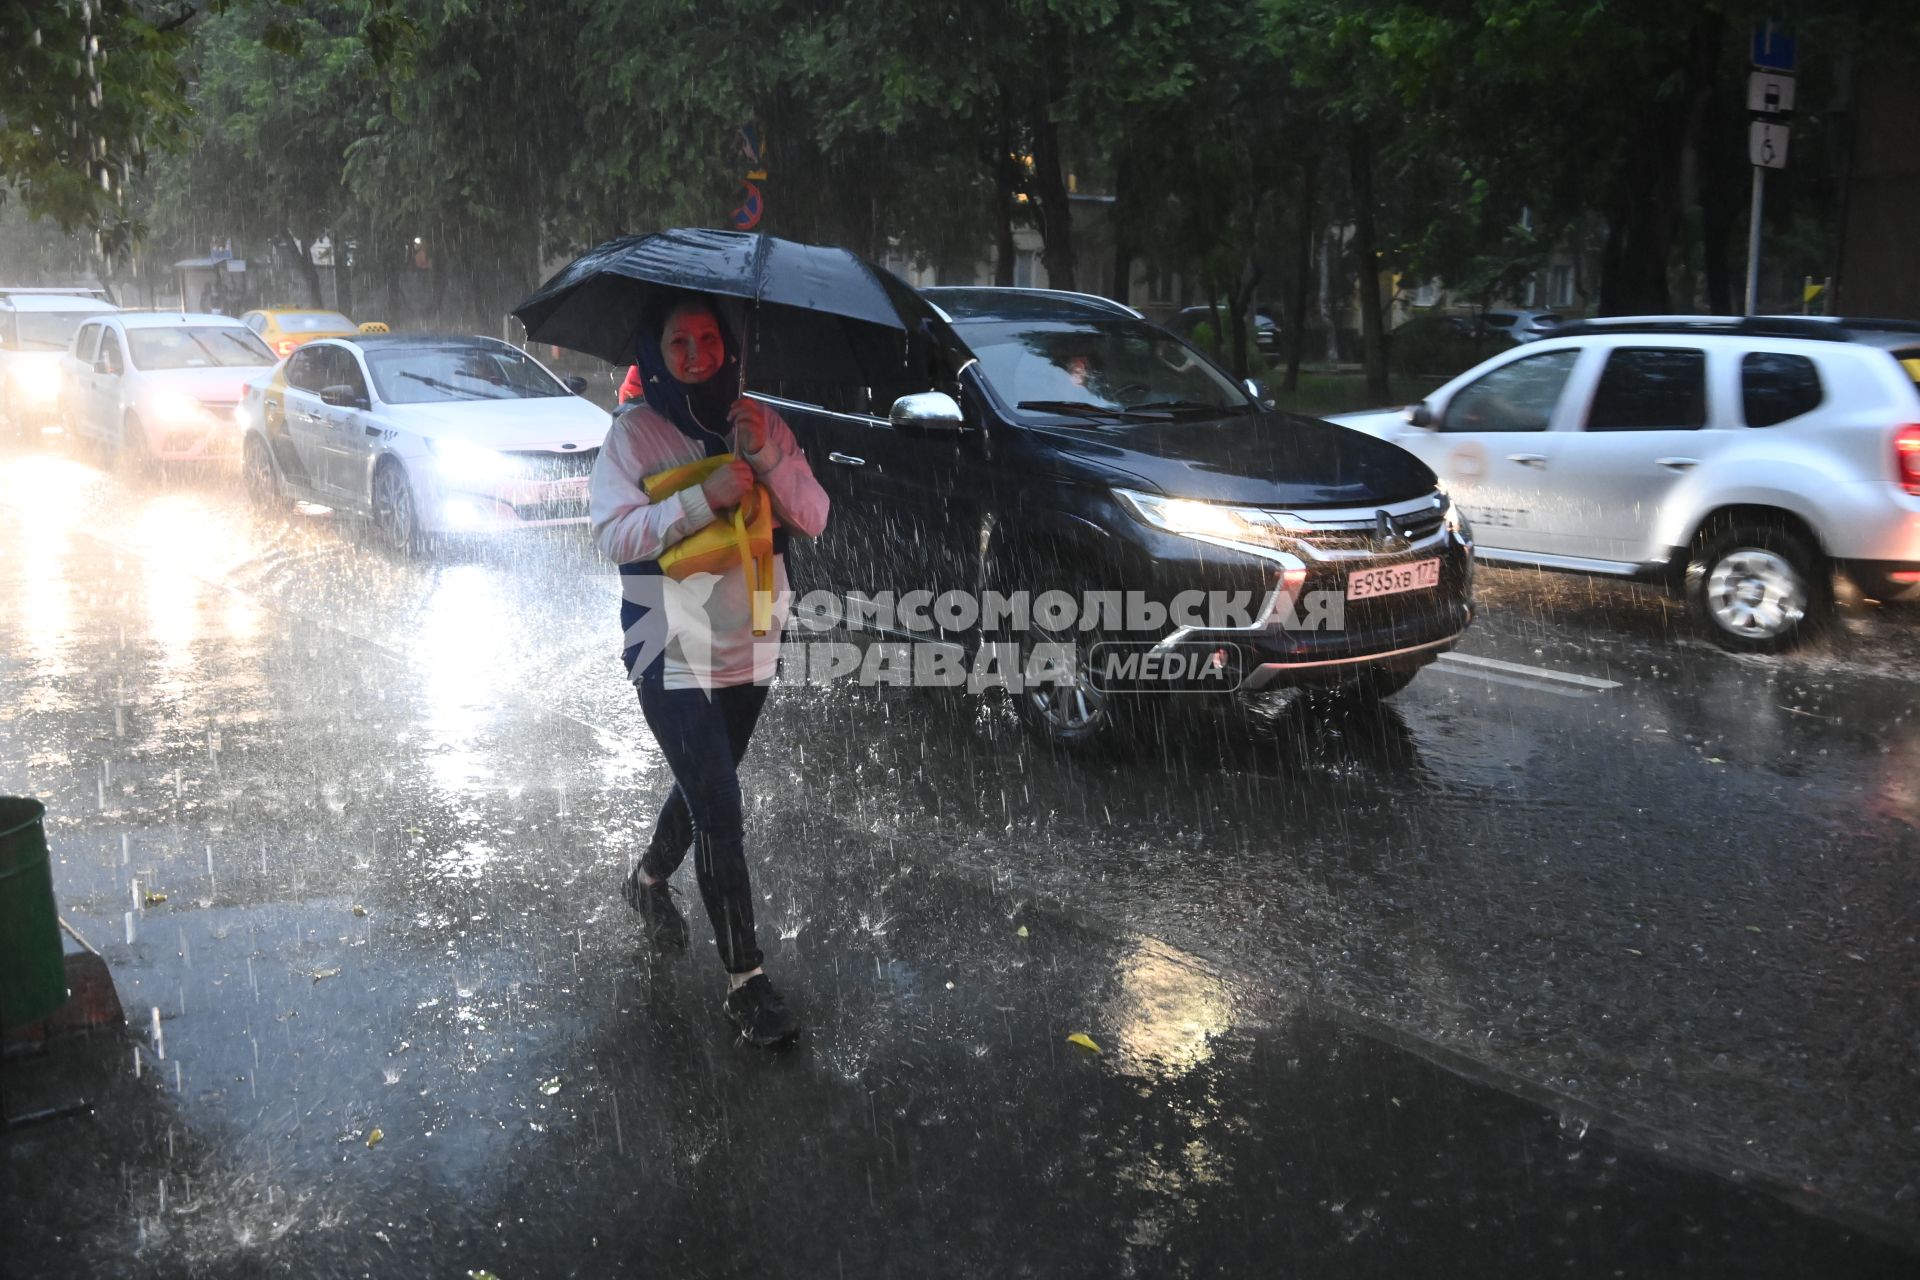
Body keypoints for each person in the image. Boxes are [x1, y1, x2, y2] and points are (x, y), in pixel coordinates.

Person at [587, 291, 829, 1047]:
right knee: (721, 808)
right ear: (651, 351)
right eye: (677, 342)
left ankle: (649, 880)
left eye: (707, 340)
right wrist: (700, 497)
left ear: (728, 346)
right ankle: (745, 983)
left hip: (751, 637)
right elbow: (612, 536)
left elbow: (815, 516)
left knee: (704, 786)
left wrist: (763, 458)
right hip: (667, 637)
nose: (695, 356)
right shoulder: (633, 435)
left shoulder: (759, 422)